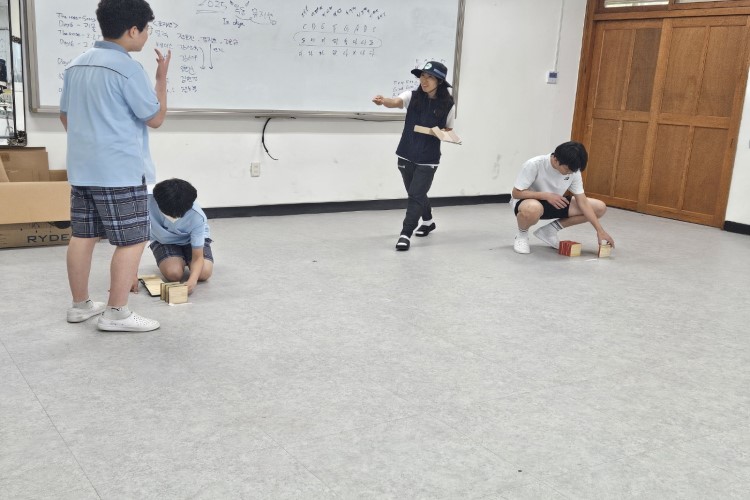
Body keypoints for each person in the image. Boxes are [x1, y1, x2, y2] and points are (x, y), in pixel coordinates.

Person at [60, 0, 171, 332]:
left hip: (82, 169)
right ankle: (117, 313)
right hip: (120, 171)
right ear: (133, 30)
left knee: (83, 235)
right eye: (146, 29)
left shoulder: (76, 65)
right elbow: (155, 118)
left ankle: (80, 305)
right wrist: (161, 80)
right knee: (132, 239)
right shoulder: (128, 69)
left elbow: (65, 116)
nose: (147, 36)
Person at [372, 61, 456, 251]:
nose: (424, 80)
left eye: (430, 77)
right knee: (416, 192)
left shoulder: (448, 105)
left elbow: (448, 130)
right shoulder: (412, 96)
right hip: (406, 154)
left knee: (415, 194)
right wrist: (383, 101)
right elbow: (396, 102)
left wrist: (439, 133)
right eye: (422, 76)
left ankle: (405, 233)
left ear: (439, 81)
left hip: (429, 158)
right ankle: (428, 221)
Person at [511, 141, 615, 254]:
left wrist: (600, 231)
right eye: (567, 169)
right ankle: (522, 235)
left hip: (556, 202)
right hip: (528, 203)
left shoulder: (573, 171)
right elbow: (516, 193)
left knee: (599, 207)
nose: (570, 173)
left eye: (573, 171)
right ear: (555, 160)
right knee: (532, 208)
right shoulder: (534, 164)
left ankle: (549, 231)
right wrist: (545, 195)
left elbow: (583, 202)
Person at [148, 178, 213, 293]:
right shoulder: (147, 200)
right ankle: (178, 259)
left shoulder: (197, 216)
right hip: (163, 240)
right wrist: (132, 274)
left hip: (190, 240)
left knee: (203, 273)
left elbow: (198, 257)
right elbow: (135, 239)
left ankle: (183, 258)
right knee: (174, 274)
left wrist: (192, 280)